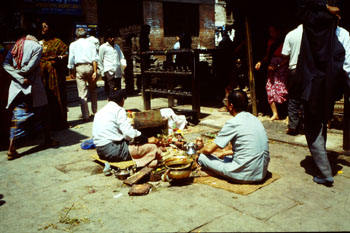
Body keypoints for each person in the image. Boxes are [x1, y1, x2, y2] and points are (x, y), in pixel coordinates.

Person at [296, 0, 350, 186]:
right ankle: (323, 165)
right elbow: (346, 67)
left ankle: (325, 172)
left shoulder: (309, 31)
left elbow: (304, 8)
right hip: (329, 88)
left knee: (313, 126)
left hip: (312, 86)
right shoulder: (341, 35)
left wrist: (322, 8)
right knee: (321, 122)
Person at [3, 29, 58, 160]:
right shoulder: (37, 47)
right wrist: (23, 76)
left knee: (17, 116)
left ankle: (12, 147)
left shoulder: (17, 45)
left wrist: (18, 76)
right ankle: (47, 139)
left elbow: (5, 65)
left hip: (17, 86)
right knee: (43, 112)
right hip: (32, 86)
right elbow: (31, 67)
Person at [197, 90, 270, 183]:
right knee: (225, 158)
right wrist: (223, 153)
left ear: (231, 106)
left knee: (202, 157)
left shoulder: (233, 122)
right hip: (261, 172)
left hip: (245, 174)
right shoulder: (256, 119)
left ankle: (217, 172)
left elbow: (208, 150)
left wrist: (198, 152)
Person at [92, 89, 162, 167]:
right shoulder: (118, 110)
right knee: (152, 148)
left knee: (135, 142)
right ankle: (150, 161)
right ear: (122, 100)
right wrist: (147, 139)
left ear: (108, 99)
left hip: (100, 151)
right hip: (112, 151)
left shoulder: (100, 112)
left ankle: (148, 160)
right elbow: (128, 133)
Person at [38, 21, 69, 130]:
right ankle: (47, 123)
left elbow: (65, 54)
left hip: (55, 76)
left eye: (46, 26)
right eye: (42, 26)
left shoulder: (58, 42)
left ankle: (60, 122)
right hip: (43, 76)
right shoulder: (39, 43)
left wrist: (58, 59)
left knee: (57, 96)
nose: (43, 28)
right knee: (45, 98)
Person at [255, 25, 289, 121]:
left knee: (282, 91)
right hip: (271, 68)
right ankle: (275, 113)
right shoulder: (270, 42)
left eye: (272, 31)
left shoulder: (284, 42)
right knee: (270, 89)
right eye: (270, 31)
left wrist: (277, 66)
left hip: (281, 69)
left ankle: (287, 114)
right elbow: (267, 56)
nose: (271, 33)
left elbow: (287, 58)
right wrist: (260, 62)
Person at [67, 27, 99, 122]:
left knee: (82, 93)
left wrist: (71, 72)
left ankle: (85, 115)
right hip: (90, 67)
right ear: (86, 34)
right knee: (93, 91)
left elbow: (71, 60)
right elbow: (95, 58)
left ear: (76, 35)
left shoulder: (73, 45)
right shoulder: (91, 44)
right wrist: (95, 71)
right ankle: (95, 112)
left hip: (79, 68)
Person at [281, 24, 304, 135]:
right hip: (309, 71)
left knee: (293, 98)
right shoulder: (313, 33)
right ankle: (305, 125)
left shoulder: (291, 34)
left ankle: (293, 126)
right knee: (306, 98)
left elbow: (285, 54)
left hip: (294, 69)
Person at [99, 30, 126, 96]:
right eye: (110, 37)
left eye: (113, 37)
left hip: (117, 72)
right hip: (109, 72)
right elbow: (99, 60)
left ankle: (117, 104)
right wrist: (102, 73)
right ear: (107, 38)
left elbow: (121, 57)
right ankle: (111, 102)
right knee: (111, 90)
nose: (112, 39)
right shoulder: (103, 47)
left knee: (118, 90)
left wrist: (123, 65)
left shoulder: (117, 47)